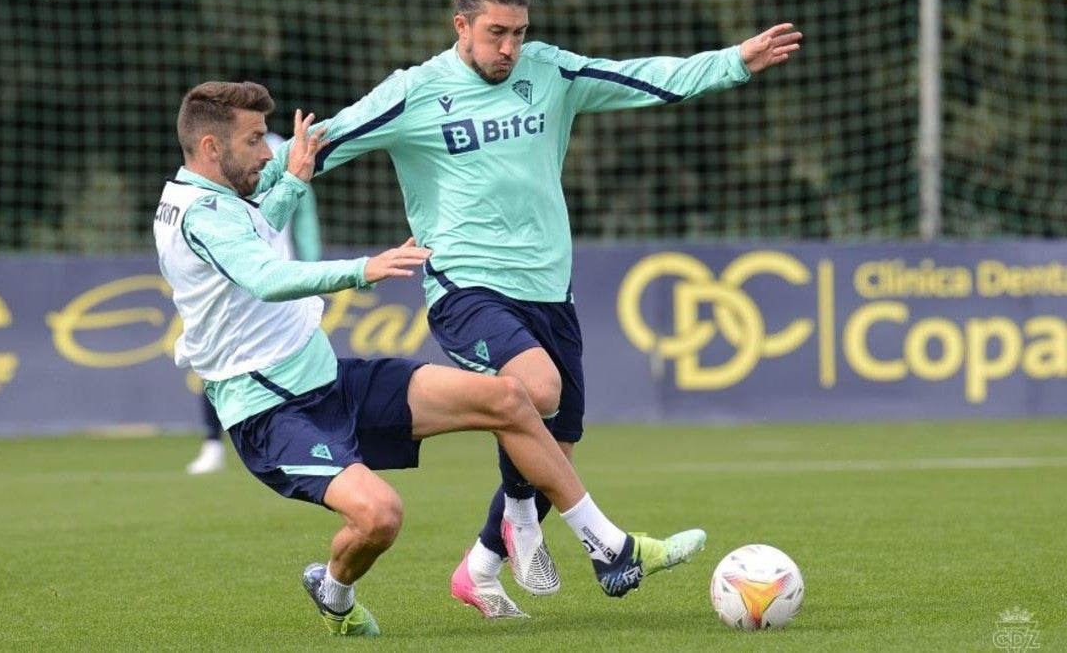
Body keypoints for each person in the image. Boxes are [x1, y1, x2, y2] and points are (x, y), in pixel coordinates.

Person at [253, 0, 802, 617]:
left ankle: (481, 566)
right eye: (495, 34)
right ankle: (602, 544)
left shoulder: (550, 74)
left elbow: (645, 79)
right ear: (461, 27)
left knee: (555, 446)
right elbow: (320, 144)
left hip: (549, 287)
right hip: (466, 284)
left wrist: (733, 61)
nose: (509, 48)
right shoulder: (416, 93)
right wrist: (243, 185)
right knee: (534, 392)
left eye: (518, 33)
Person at [153, 80, 706, 636]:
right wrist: (361, 269)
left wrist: (295, 180)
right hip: (273, 413)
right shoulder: (202, 216)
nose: (267, 152)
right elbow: (266, 277)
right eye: (254, 141)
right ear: (210, 147)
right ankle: (334, 590)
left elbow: (259, 228)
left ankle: (607, 545)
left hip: (332, 380)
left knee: (510, 398)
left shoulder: (212, 201)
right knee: (380, 517)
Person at [185, 130, 322, 476]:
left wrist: (310, 267)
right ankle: (213, 443)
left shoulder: (282, 148)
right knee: (218, 357)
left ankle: (315, 441)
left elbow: (304, 214)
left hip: (279, 273)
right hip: (232, 272)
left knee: (301, 356)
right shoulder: (216, 154)